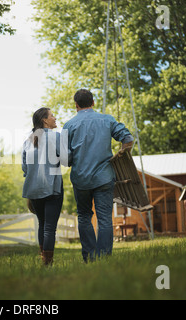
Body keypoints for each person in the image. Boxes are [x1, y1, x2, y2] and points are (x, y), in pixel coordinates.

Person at [62, 89, 134, 263]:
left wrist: (74, 159)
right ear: (93, 103)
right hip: (104, 177)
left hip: (81, 179)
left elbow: (65, 159)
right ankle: (104, 258)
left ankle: (89, 257)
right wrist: (120, 157)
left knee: (84, 216)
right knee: (104, 218)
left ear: (76, 105)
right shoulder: (107, 119)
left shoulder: (68, 125)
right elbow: (128, 139)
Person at [22, 107, 63, 266]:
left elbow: (25, 168)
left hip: (34, 189)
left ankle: (44, 260)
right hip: (53, 187)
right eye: (52, 115)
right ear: (45, 120)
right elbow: (67, 159)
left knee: (42, 224)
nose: (54, 118)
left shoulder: (28, 141)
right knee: (50, 227)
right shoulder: (57, 137)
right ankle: (48, 263)